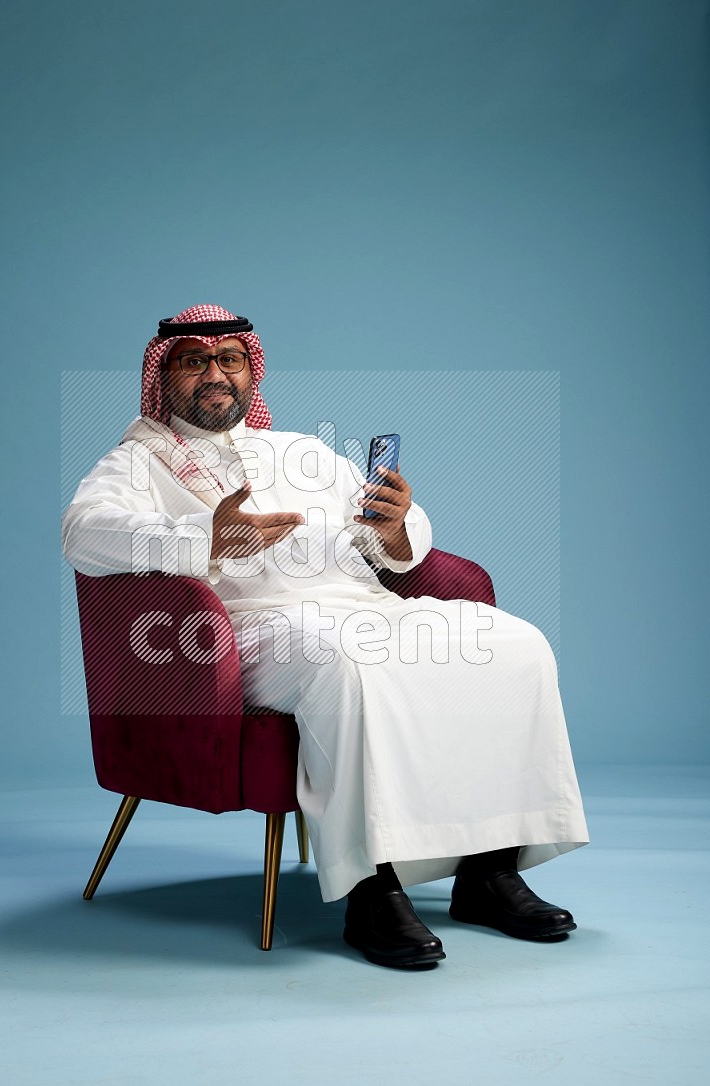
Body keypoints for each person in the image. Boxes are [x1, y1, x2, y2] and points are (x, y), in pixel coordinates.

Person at [62, 303, 589, 969]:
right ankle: (372, 888)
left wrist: (398, 529)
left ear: (251, 372)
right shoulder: (135, 463)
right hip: (246, 633)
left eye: (229, 360)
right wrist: (205, 537)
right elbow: (81, 534)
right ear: (163, 376)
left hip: (361, 604)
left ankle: (489, 871)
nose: (214, 375)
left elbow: (391, 535)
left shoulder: (302, 452)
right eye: (194, 362)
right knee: (347, 664)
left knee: (513, 646)